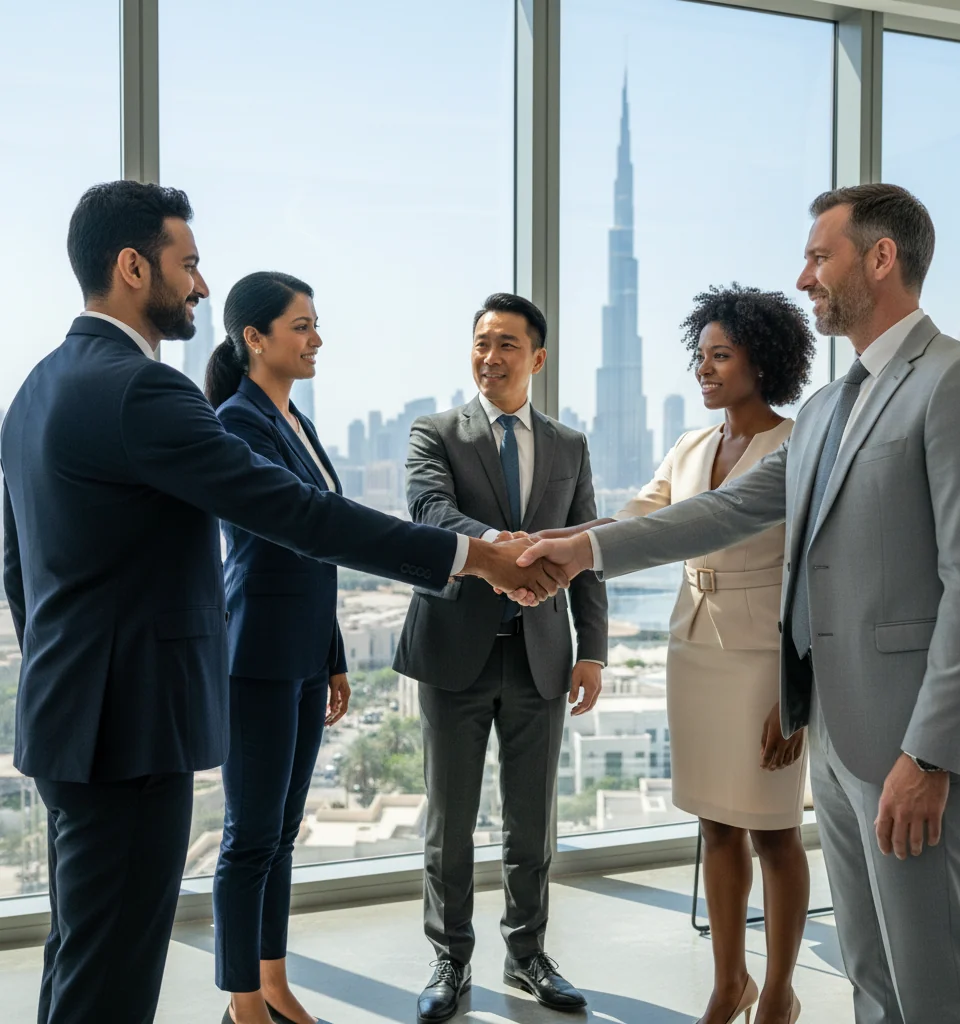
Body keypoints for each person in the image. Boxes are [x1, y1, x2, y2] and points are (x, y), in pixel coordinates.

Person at [0, 181, 562, 1024]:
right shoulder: (144, 392)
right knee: (112, 977)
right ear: (130, 266)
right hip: (133, 729)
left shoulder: (36, 388)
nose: (199, 285)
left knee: (82, 957)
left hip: (69, 718)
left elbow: (19, 570)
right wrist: (472, 556)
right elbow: (298, 515)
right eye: (187, 264)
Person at [520, 184, 960, 1024]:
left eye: (820, 256)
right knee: (869, 969)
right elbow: (722, 511)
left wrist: (931, 755)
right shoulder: (829, 407)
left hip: (912, 745)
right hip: (834, 733)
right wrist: (582, 550)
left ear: (881, 258)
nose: (804, 276)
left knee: (930, 980)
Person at [539, 284, 815, 1024]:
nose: (704, 370)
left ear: (765, 362)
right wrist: (546, 547)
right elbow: (631, 524)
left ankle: (781, 989)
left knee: (775, 831)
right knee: (716, 825)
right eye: (700, 357)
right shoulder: (690, 446)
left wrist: (798, 695)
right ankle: (731, 984)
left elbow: (819, 575)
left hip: (763, 659)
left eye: (720, 356)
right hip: (694, 648)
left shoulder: (800, 445)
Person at [393, 293, 608, 1023]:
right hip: (454, 650)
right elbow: (430, 515)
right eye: (482, 343)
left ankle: (527, 954)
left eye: (508, 345)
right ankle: (450, 960)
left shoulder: (571, 445)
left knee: (530, 823)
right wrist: (504, 550)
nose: (491, 357)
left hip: (542, 656)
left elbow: (589, 554)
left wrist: (595, 652)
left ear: (537, 359)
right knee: (448, 823)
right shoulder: (436, 432)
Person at [205, 271, 351, 1024]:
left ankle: (273, 981)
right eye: (301, 325)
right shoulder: (236, 422)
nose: (316, 338)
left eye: (316, 324)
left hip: (300, 653)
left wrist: (333, 655)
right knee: (249, 838)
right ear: (253, 338)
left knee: (281, 836)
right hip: (256, 657)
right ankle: (241, 1003)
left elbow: (318, 551)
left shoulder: (295, 421)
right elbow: (298, 528)